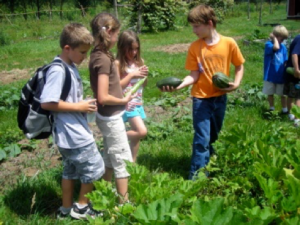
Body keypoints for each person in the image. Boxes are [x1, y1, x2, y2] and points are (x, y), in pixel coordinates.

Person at [159, 5, 245, 180]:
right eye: (192, 26)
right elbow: (194, 75)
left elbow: (239, 65)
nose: (193, 30)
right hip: (201, 99)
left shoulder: (229, 43)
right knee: (202, 139)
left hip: (220, 98)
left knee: (213, 135)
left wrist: (235, 84)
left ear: (210, 23)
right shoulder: (195, 47)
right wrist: (179, 86)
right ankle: (196, 177)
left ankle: (210, 162)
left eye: (196, 26)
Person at [40, 23, 105, 220]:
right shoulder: (58, 70)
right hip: (74, 134)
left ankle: (66, 209)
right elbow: (47, 103)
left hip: (67, 134)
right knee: (96, 169)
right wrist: (79, 107)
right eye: (82, 52)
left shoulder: (69, 66)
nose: (84, 57)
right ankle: (82, 207)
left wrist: (80, 102)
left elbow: (64, 98)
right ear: (68, 48)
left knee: (70, 170)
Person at [89, 13, 134, 204]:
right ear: (108, 32)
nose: (118, 37)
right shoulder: (103, 59)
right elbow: (103, 97)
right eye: (116, 33)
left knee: (109, 156)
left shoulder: (100, 54)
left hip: (108, 117)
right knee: (123, 161)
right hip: (111, 118)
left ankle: (104, 196)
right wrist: (124, 100)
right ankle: (125, 204)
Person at [115, 30, 149, 162]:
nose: (134, 53)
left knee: (136, 135)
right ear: (122, 47)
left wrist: (144, 74)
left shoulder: (139, 61)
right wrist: (131, 75)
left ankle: (132, 162)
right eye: (130, 49)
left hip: (138, 102)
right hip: (127, 104)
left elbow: (144, 84)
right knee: (141, 132)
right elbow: (117, 87)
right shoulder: (118, 64)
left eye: (136, 49)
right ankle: (116, 138)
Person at [263, 25, 289, 114]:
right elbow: (276, 47)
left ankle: (284, 109)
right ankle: (271, 108)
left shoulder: (284, 47)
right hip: (270, 75)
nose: (283, 41)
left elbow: (285, 60)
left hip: (280, 75)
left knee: (283, 94)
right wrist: (274, 39)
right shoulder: (268, 44)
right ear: (275, 36)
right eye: (282, 39)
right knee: (270, 93)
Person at [283, 34, 300, 126]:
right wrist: (297, 69)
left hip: (290, 72)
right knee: (298, 96)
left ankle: (291, 115)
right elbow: (294, 54)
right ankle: (297, 120)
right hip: (295, 73)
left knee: (290, 95)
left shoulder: (297, 37)